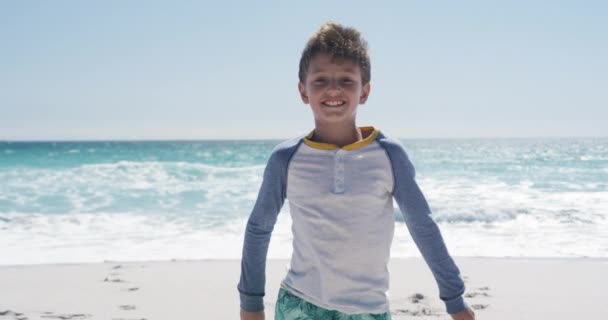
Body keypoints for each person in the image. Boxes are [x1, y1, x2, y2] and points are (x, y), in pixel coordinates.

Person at [238, 21, 476, 320]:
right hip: (301, 304)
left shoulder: (389, 154)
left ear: (364, 92)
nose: (333, 89)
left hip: (369, 311)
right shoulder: (286, 158)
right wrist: (251, 303)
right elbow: (259, 229)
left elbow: (422, 226)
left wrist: (453, 298)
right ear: (303, 91)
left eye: (346, 80)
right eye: (321, 80)